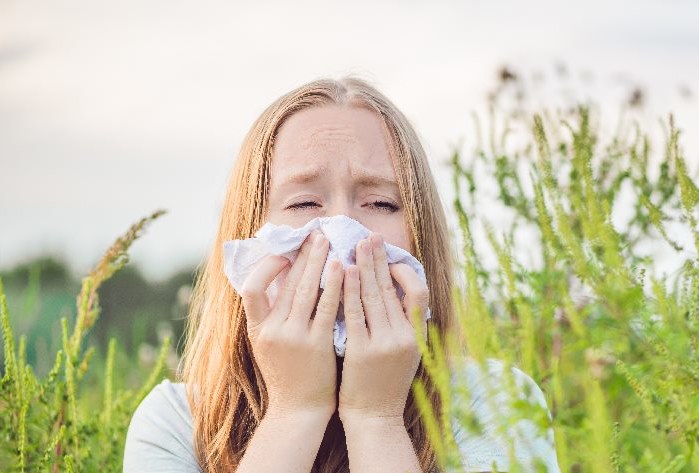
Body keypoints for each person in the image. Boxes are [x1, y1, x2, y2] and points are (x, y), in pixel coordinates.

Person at [123, 76, 561, 473]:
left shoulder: (494, 401)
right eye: (304, 204)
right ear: (249, 232)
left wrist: (377, 419)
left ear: (421, 235)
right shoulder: (176, 422)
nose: (341, 229)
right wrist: (294, 411)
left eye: (381, 204)